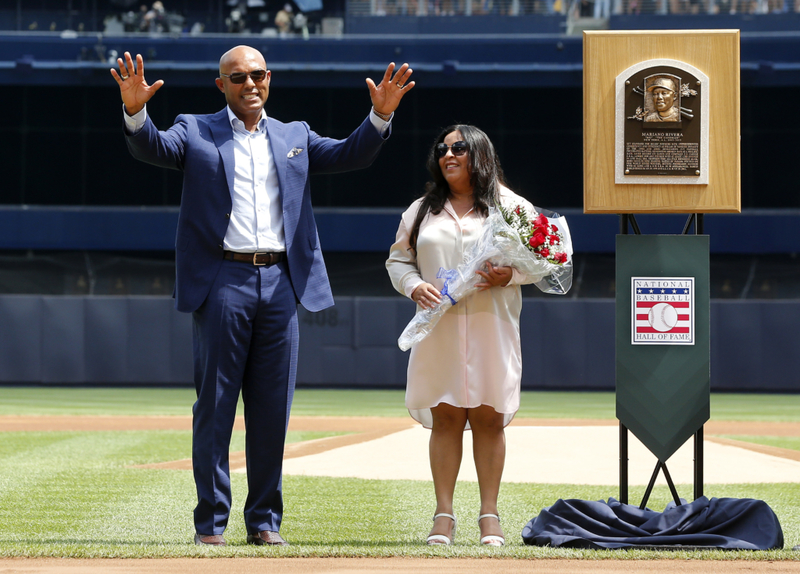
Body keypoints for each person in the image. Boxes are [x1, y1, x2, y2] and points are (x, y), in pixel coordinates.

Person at [110, 46, 414, 546]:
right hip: (223, 280)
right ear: (221, 85)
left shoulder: (294, 135)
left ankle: (265, 522)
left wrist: (380, 114)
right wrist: (135, 111)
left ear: (268, 78)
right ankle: (210, 524)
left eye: (256, 74)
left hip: (280, 284)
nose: (249, 83)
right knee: (215, 406)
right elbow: (153, 148)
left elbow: (348, 154)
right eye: (237, 77)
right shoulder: (196, 128)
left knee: (273, 409)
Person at [386, 125, 538, 547]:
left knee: (490, 416)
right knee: (447, 416)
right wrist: (413, 285)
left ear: (480, 154)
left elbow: (547, 258)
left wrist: (514, 274)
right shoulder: (421, 210)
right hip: (439, 328)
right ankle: (443, 516)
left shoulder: (511, 206)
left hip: (493, 323)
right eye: (442, 149)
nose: (447, 154)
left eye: (458, 148)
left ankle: (490, 516)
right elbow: (398, 261)